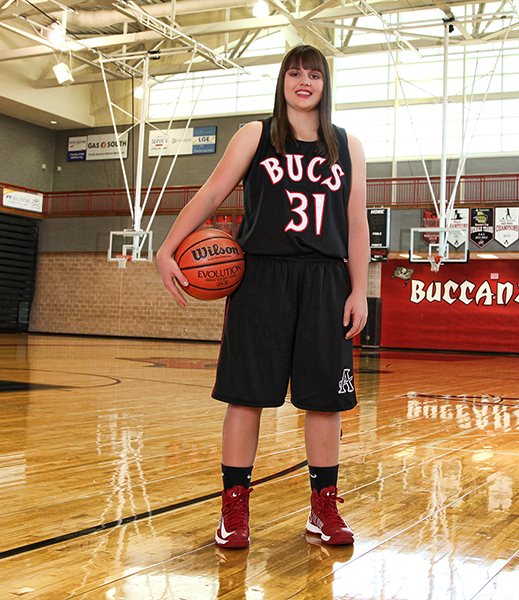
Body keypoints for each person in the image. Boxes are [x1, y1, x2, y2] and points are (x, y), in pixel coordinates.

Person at [157, 44, 369, 549]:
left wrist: (360, 288)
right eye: (294, 73)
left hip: (324, 279)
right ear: (282, 81)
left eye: (313, 74)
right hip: (262, 279)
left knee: (324, 402)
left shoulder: (347, 145)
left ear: (325, 84)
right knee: (246, 397)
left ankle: (324, 510)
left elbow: (356, 221)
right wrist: (167, 248)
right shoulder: (256, 134)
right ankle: (234, 510)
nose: (304, 81)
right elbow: (210, 194)